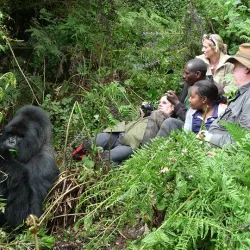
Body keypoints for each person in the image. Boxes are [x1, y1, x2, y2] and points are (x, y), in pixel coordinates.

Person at [72, 95, 174, 163]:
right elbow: (134, 124)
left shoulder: (169, 122)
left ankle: (90, 170)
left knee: (107, 158)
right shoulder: (152, 114)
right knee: (92, 142)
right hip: (120, 134)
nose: (160, 104)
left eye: (164, 103)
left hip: (132, 143)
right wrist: (143, 114)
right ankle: (74, 160)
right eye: (159, 102)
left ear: (172, 107)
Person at [156, 58, 224, 138]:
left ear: (197, 74)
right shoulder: (189, 83)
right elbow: (180, 105)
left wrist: (176, 103)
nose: (183, 76)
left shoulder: (213, 90)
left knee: (167, 121)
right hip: (181, 121)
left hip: (197, 128)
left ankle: (150, 149)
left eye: (187, 73)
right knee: (154, 115)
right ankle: (146, 148)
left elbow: (197, 118)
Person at [200, 43, 250, 147]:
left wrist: (209, 138)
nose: (232, 72)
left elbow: (244, 139)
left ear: (247, 69)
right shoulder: (243, 93)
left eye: (235, 67)